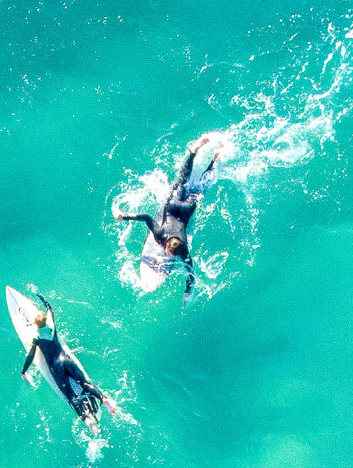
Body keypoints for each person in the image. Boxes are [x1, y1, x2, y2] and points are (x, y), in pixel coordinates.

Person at [117, 136, 217, 292]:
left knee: (187, 181)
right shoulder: (174, 244)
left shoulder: (168, 240)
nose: (169, 257)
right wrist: (188, 291)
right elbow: (190, 272)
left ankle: (203, 155)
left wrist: (125, 217)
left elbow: (146, 218)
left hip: (181, 208)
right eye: (170, 255)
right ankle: (212, 160)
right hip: (178, 209)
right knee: (198, 186)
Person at [19, 303, 108, 422]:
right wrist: (44, 302)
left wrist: (24, 371)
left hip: (56, 367)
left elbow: (31, 356)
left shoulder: (37, 339)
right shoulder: (52, 327)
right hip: (65, 359)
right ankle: (103, 399)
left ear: (36, 324)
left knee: (70, 394)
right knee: (83, 383)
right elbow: (50, 309)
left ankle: (87, 420)